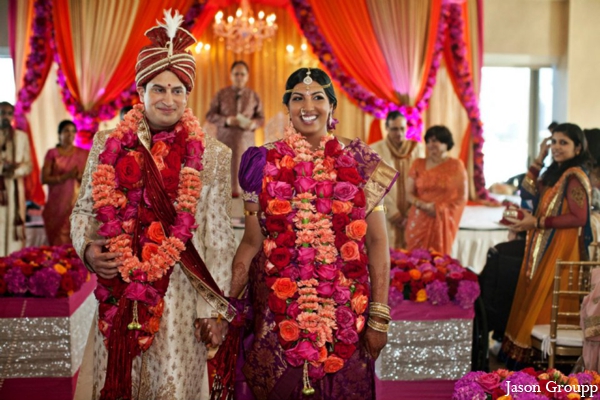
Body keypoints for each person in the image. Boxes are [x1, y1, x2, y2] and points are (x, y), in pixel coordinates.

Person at [70, 11, 235, 400]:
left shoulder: (212, 155)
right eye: (158, 88)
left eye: (178, 90)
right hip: (119, 290)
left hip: (180, 300)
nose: (168, 99)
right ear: (140, 92)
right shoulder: (107, 144)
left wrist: (212, 309)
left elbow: (219, 240)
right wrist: (89, 251)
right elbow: (83, 213)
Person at [227, 67, 398, 399]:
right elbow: (251, 242)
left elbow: (377, 242)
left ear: (332, 106)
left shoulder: (361, 161)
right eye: (297, 98)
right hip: (278, 312)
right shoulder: (260, 162)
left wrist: (379, 317)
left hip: (346, 312)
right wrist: (228, 305)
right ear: (287, 107)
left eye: (318, 96)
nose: (308, 105)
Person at [502, 123, 593, 364]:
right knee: (532, 296)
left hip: (561, 249)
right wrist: (539, 158)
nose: (557, 147)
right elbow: (527, 192)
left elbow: (579, 217)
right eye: (554, 142)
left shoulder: (575, 176)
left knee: (544, 302)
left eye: (564, 143)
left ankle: (543, 365)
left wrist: (538, 222)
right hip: (543, 244)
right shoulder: (556, 173)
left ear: (578, 147)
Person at [405, 125, 468, 254]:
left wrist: (439, 208)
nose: (430, 144)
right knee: (413, 261)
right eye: (428, 141)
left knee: (438, 262)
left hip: (442, 219)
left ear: (446, 143)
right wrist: (423, 205)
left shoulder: (456, 166)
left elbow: (461, 197)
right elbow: (408, 193)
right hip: (419, 219)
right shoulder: (418, 163)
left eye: (435, 140)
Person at [206, 60, 265, 197]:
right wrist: (226, 120)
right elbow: (210, 115)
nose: (239, 77)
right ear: (231, 75)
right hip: (225, 142)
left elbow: (261, 118)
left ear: (247, 76)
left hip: (246, 143)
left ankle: (243, 213)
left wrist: (254, 124)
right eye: (236, 74)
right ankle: (224, 212)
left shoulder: (253, 96)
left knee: (245, 178)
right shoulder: (221, 94)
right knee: (224, 179)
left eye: (242, 74)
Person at [370, 111, 418, 249]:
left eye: (402, 128)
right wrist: (393, 213)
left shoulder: (417, 149)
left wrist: (412, 212)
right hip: (386, 214)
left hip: (413, 215)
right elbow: (374, 186)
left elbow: (422, 183)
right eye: (394, 129)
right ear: (386, 128)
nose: (399, 133)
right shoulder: (375, 150)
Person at [41, 120, 89, 245]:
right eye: (66, 131)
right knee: (57, 241)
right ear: (59, 134)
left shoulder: (83, 153)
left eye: (73, 131)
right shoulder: (52, 153)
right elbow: (44, 178)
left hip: (77, 204)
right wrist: (66, 176)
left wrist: (78, 176)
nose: (70, 134)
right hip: (56, 204)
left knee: (75, 240)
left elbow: (89, 179)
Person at [0, 101, 32, 257]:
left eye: (8, 113)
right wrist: (2, 168)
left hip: (14, 187)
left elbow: (28, 165)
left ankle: (12, 266)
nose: (5, 116)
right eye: (2, 113)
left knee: (14, 228)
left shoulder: (21, 137)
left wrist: (13, 170)